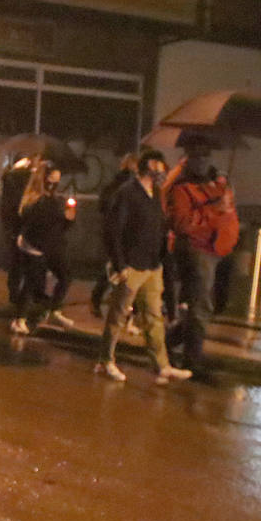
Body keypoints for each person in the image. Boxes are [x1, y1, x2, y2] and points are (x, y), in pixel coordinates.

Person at [96, 149, 192, 384]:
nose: (161, 170)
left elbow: (157, 225)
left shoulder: (155, 192)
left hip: (152, 265)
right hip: (132, 266)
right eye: (158, 165)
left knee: (153, 317)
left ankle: (162, 365)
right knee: (117, 316)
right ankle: (106, 360)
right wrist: (120, 265)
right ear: (147, 165)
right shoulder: (127, 193)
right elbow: (114, 231)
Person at [163, 136, 239, 376]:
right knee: (200, 306)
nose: (203, 159)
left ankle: (166, 343)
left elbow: (228, 212)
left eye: (206, 154)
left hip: (221, 249)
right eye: (197, 155)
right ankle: (191, 359)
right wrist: (215, 213)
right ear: (188, 158)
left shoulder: (220, 182)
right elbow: (182, 224)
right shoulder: (182, 188)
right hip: (199, 250)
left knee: (212, 305)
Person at [11, 161, 76, 333]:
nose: (54, 185)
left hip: (50, 244)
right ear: (43, 179)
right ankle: (20, 319)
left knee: (65, 275)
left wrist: (68, 219)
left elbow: (58, 227)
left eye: (57, 181)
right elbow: (37, 224)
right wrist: (61, 218)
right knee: (32, 281)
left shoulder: (52, 199)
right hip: (35, 245)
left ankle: (54, 310)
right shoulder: (35, 199)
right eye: (51, 180)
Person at [91, 153, 139, 317]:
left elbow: (103, 206)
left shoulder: (114, 184)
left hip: (115, 231)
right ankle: (119, 306)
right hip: (122, 232)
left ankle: (99, 300)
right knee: (117, 268)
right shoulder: (127, 186)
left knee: (113, 268)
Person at [0, 154, 35, 325]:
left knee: (17, 263)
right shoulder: (21, 176)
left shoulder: (11, 175)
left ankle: (15, 295)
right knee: (20, 263)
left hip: (14, 225)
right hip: (20, 224)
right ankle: (17, 297)